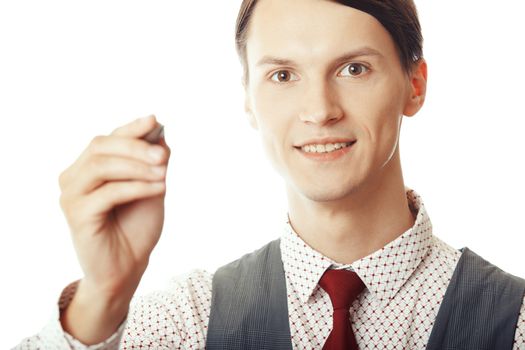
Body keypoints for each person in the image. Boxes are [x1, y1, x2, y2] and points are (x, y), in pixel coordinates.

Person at [13, 0, 525, 349]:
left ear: (415, 85)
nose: (319, 110)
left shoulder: (515, 322)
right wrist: (102, 294)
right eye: (283, 75)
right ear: (249, 101)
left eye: (354, 69)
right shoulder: (186, 322)